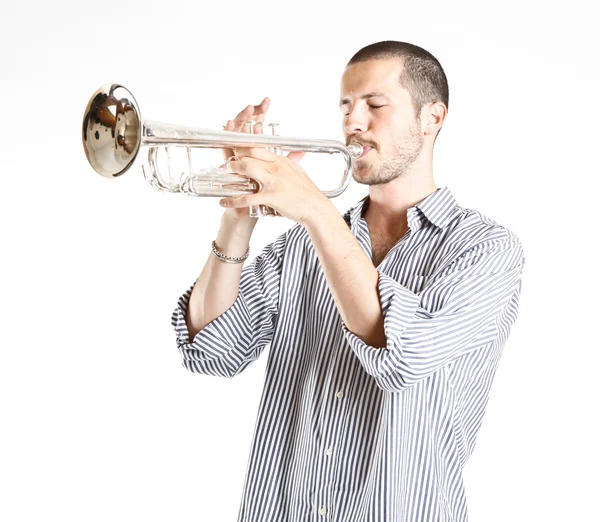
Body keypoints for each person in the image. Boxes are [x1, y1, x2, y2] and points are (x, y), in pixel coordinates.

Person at [171, 41, 526, 522]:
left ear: (432, 117)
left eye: (375, 105)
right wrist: (241, 212)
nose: (352, 122)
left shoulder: (486, 250)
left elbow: (399, 354)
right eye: (345, 106)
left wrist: (315, 209)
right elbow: (212, 350)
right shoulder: (303, 246)